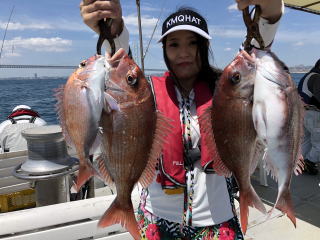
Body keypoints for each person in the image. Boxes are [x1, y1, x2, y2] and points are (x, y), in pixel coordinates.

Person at [80, 0, 283, 239]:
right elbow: (122, 70)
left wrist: (270, 12)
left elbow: (254, 50)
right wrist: (112, 29)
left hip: (217, 222)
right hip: (157, 220)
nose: (184, 52)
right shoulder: (148, 93)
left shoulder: (227, 88)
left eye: (193, 43)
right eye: (174, 44)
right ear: (165, 49)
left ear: (204, 46)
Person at [298, 59, 320, 175]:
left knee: (306, 141)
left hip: (305, 113)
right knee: (318, 143)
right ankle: (310, 162)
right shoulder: (316, 77)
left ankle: (302, 164)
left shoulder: (308, 76)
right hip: (314, 114)